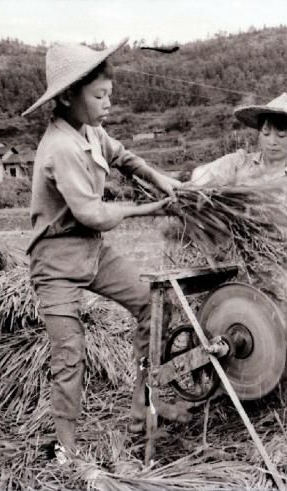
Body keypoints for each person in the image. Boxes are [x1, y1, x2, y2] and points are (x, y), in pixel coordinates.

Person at [22, 38, 186, 460]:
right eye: (99, 96)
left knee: (153, 307)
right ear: (67, 97)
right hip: (55, 262)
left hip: (92, 253)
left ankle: (141, 412)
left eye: (110, 94)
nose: (108, 103)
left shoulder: (90, 131)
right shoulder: (59, 147)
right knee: (69, 354)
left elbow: (123, 156)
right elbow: (93, 214)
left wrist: (160, 178)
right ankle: (67, 449)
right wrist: (149, 208)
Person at [187, 92, 287, 219]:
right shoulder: (238, 162)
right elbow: (200, 178)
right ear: (259, 134)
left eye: (281, 135)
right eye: (266, 133)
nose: (272, 142)